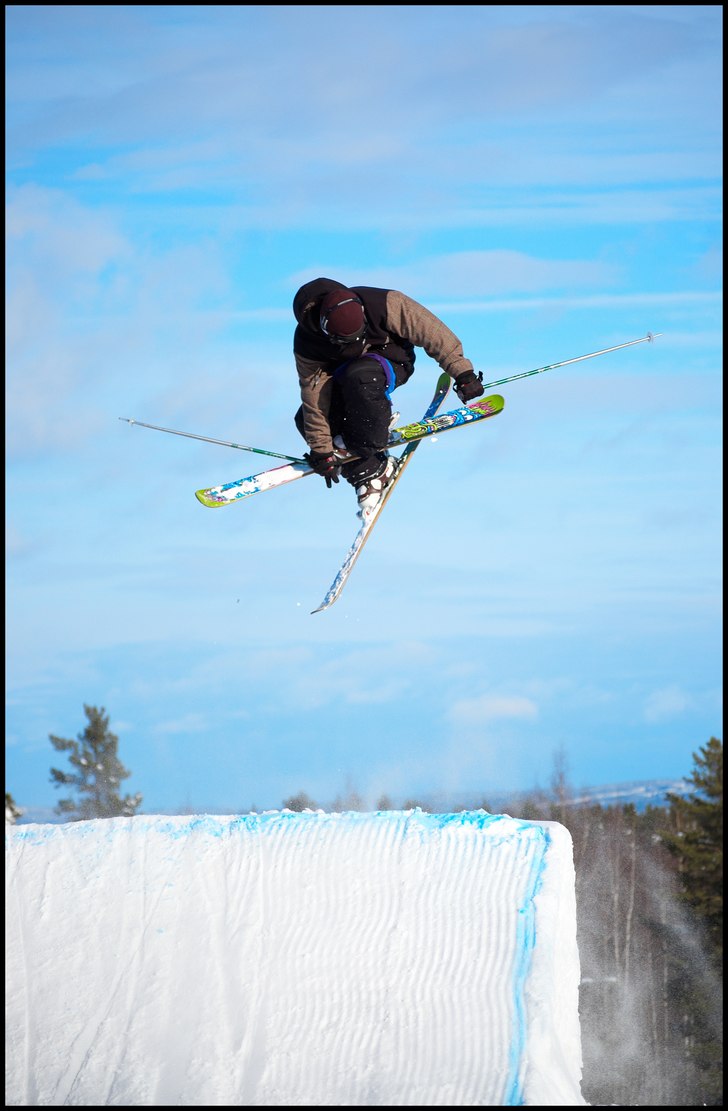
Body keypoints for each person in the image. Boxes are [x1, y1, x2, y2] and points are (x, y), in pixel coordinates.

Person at [292, 277, 484, 516]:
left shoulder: (383, 302)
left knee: (360, 376)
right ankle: (370, 472)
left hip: (389, 361)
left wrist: (462, 372)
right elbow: (314, 394)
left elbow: (432, 332)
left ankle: (367, 431)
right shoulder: (307, 342)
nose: (358, 341)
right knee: (305, 418)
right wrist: (321, 449)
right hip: (341, 377)